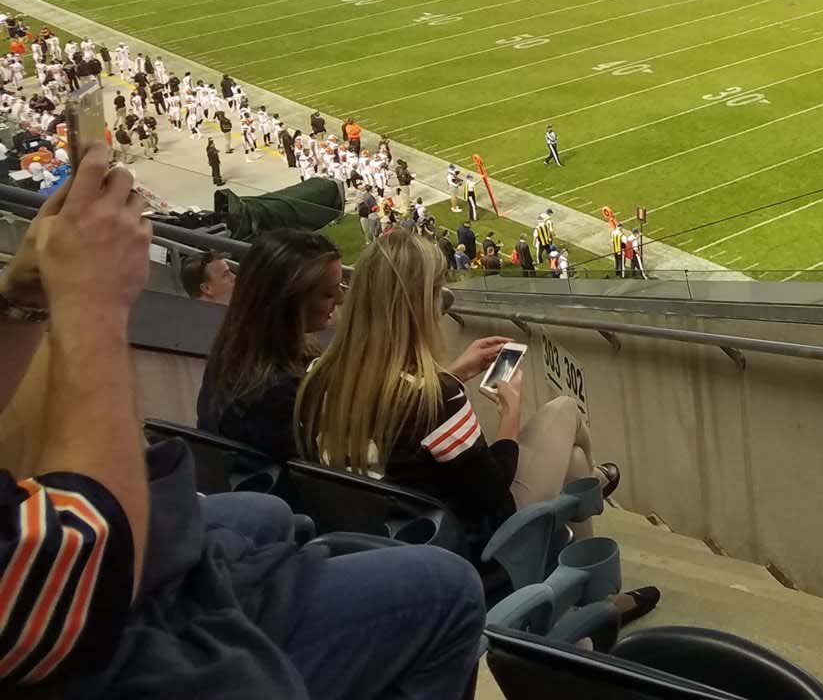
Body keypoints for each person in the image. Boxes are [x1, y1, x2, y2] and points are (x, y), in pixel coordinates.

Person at [2, 146, 488, 699]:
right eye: (326, 294)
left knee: (268, 512)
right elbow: (90, 572)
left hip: (102, 575)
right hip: (114, 628)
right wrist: (93, 305)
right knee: (448, 588)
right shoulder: (292, 393)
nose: (336, 305)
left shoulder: (260, 369)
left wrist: (26, 295)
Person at [294, 228, 628, 555]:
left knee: (574, 460)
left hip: (378, 539)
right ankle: (593, 488)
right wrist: (510, 410)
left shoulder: (316, 376)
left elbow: (389, 411)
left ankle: (592, 577)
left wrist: (457, 372)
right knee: (565, 408)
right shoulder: (438, 400)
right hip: (465, 547)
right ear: (420, 306)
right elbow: (494, 497)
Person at [197, 228, 345, 464]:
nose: (340, 299)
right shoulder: (271, 394)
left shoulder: (233, 355)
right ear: (288, 302)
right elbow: (316, 475)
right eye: (327, 293)